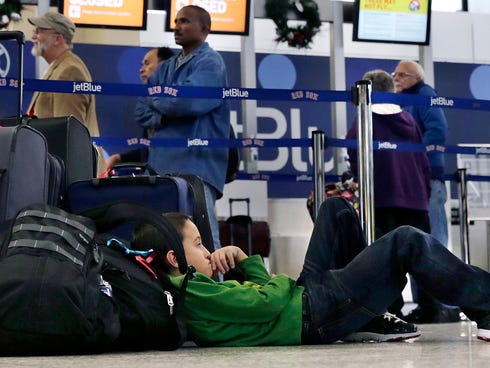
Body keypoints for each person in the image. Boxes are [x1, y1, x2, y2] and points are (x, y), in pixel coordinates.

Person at [130, 197, 490, 346]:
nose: (208, 252)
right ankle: (485, 306)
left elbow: (260, 299)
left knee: (334, 207)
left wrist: (243, 258)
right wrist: (271, 277)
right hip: (314, 313)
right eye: (198, 245)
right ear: (174, 259)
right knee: (406, 241)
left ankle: (372, 315)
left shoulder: (191, 288)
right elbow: (267, 303)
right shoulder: (191, 291)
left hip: (308, 300)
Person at [134, 5, 230, 253]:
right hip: (160, 166)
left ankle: (216, 290)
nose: (177, 26)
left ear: (205, 29)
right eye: (176, 21)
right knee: (161, 240)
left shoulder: (211, 63)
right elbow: (140, 109)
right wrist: (167, 112)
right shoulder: (165, 67)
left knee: (205, 242)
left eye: (185, 21)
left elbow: (189, 102)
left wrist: (160, 103)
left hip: (196, 167)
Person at [346, 69, 431, 317]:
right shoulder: (408, 119)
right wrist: (423, 195)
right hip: (415, 199)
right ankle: (433, 307)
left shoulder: (364, 119)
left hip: (382, 198)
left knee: (386, 260)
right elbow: (423, 161)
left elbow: (354, 154)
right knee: (425, 258)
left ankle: (392, 310)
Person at [392, 60, 459, 323]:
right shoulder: (400, 99)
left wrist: (415, 158)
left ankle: (444, 305)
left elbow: (438, 130)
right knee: (420, 242)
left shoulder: (425, 96)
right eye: (394, 74)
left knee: (434, 242)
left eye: (401, 75)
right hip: (412, 180)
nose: (396, 78)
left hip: (428, 178)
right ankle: (427, 305)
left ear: (414, 78)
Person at [27, 11, 104, 173]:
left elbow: (69, 135)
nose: (33, 36)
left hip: (63, 173)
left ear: (58, 39)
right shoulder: (60, 67)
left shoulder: (69, 71)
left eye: (39, 31)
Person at [105, 47, 174, 170]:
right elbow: (148, 152)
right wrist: (119, 158)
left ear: (163, 65)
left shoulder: (178, 105)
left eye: (147, 63)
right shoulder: (147, 100)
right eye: (142, 64)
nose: (141, 70)